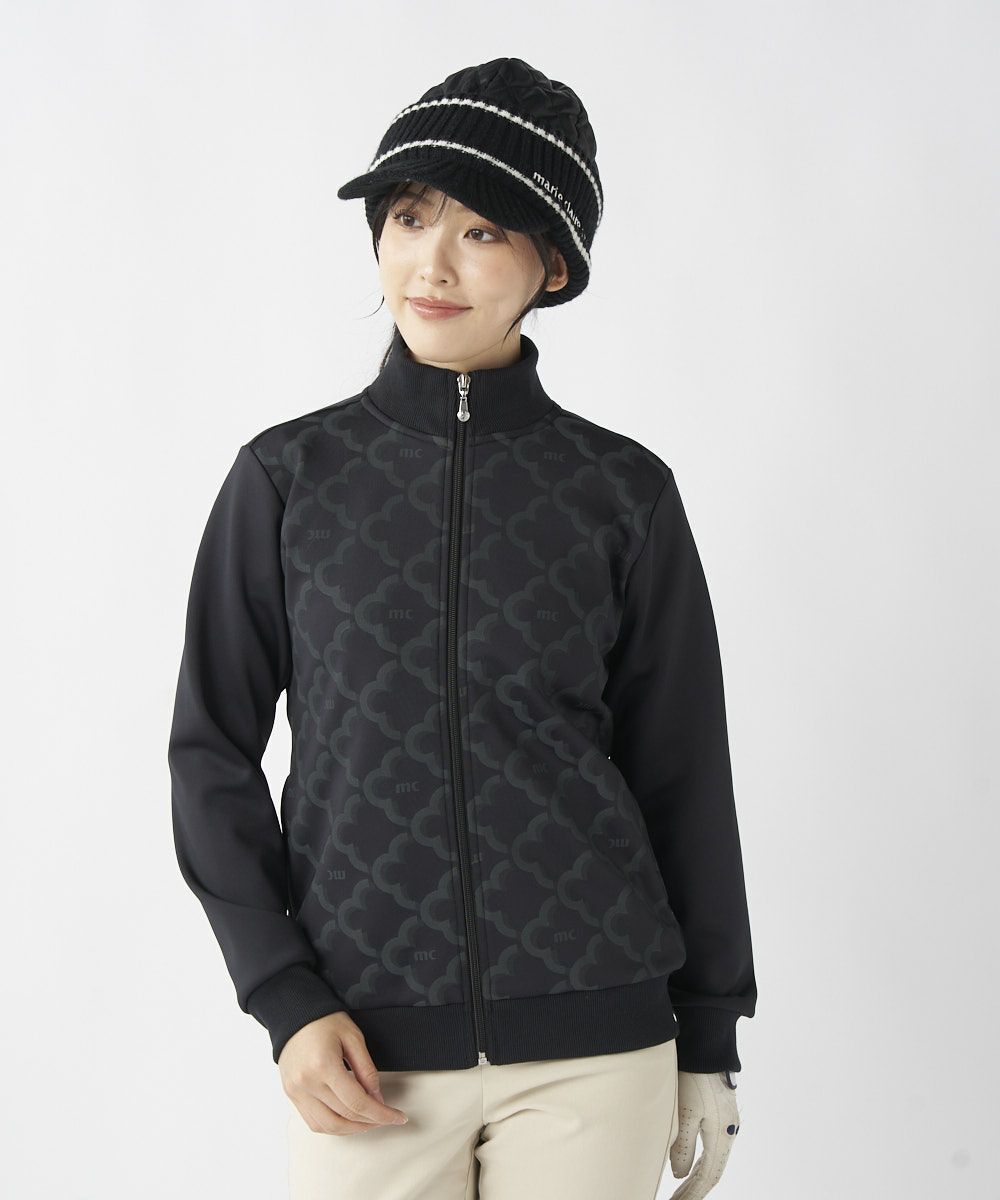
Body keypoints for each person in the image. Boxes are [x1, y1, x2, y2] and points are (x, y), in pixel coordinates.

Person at [167, 57, 757, 1200]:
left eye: (482, 231)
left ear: (554, 265)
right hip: (363, 1051)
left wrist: (707, 1036)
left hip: (597, 1048)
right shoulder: (287, 481)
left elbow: (683, 775)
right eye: (408, 217)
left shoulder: (621, 495)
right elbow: (209, 755)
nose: (430, 264)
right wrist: (285, 997)